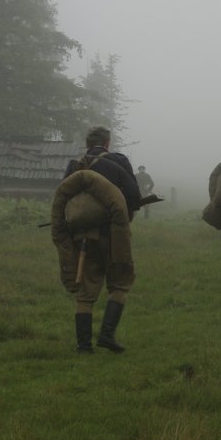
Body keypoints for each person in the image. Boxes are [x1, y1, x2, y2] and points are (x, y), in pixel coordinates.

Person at [52, 126, 142, 354]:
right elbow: (134, 196)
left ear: (87, 143)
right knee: (120, 283)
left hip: (80, 238)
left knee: (84, 292)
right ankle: (107, 335)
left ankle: (84, 346)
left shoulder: (74, 166)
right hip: (112, 236)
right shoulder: (118, 161)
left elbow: (63, 197)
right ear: (107, 143)